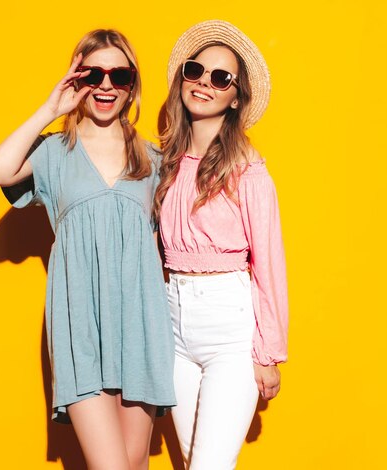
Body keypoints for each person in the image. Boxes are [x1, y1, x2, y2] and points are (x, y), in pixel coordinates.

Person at [0, 29, 175, 470]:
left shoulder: (154, 160)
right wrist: (50, 109)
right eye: (93, 74)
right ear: (76, 79)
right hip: (80, 334)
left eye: (119, 75)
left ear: (131, 87)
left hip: (141, 332)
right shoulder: (52, 153)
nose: (106, 85)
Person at [153, 20, 289, 469]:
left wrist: (269, 352)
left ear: (236, 97)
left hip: (228, 327)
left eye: (221, 78)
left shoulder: (248, 168)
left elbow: (268, 261)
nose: (204, 83)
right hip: (173, 325)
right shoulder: (166, 161)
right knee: (193, 462)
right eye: (196, 70)